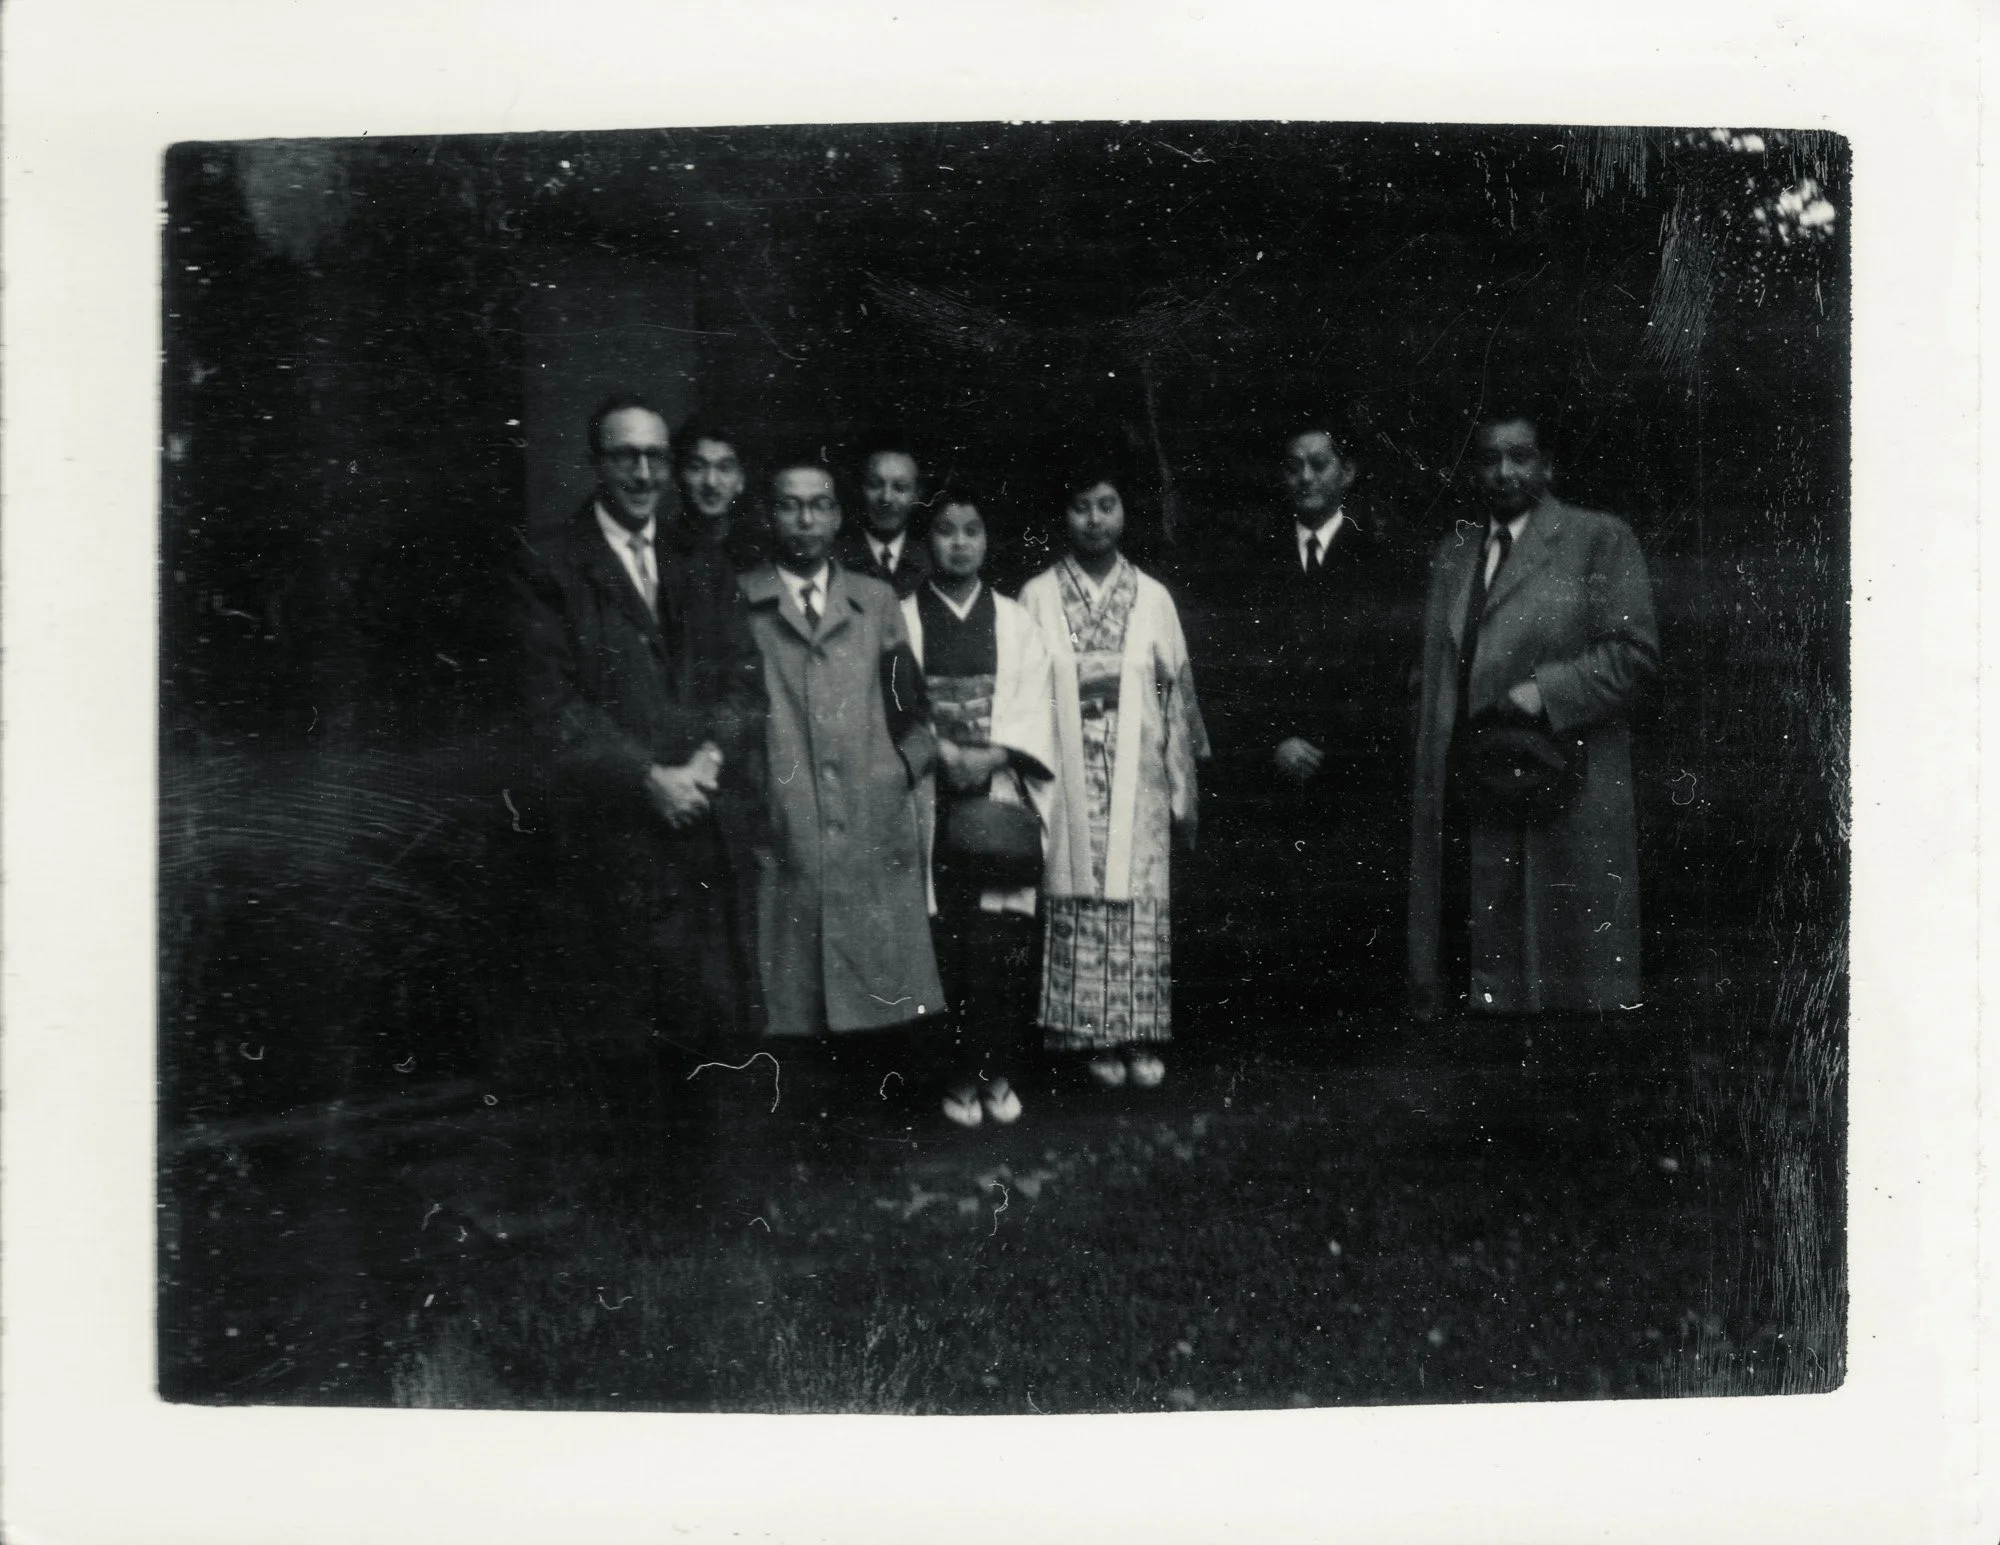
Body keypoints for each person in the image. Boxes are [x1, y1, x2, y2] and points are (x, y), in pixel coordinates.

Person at [514, 391, 767, 1188]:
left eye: (657, 456)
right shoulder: (550, 562)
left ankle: (703, 1199)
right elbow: (552, 708)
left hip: (701, 827)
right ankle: (634, 1203)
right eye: (626, 455)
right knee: (622, 1031)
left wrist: (708, 761)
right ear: (597, 463)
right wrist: (646, 778)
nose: (645, 472)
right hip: (612, 838)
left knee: (706, 1017)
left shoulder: (699, 559)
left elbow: (742, 682)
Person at [1408, 408, 1659, 1026]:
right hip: (1471, 787)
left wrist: (1545, 690)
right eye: (1489, 458)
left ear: (1548, 465)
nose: (1504, 472)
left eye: (1520, 457)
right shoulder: (1455, 553)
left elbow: (1635, 656)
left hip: (1560, 782)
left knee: (1557, 972)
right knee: (1475, 967)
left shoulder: (1598, 539)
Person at [738, 452, 947, 1079]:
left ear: (837, 517)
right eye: (789, 506)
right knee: (790, 999)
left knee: (874, 1000)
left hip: (869, 819)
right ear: (769, 516)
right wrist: (760, 790)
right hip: (786, 822)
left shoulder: (875, 601)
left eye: (819, 505)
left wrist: (897, 772)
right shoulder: (741, 601)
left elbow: (913, 712)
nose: (805, 520)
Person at [1021, 456, 1209, 1089]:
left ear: (1125, 511)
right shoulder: (1037, 596)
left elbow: (1175, 698)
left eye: (1107, 505)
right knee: (1075, 894)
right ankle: (1087, 1036)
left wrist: (1182, 787)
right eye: (1081, 507)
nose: (1094, 520)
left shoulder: (1153, 597)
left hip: (1139, 779)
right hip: (1064, 776)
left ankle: (1138, 1035)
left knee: (1138, 898)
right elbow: (1022, 695)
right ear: (1063, 516)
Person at [1233, 415, 1414, 1033]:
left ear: (1348, 472)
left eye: (1320, 464)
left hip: (1352, 774)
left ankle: (1352, 1036)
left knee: (1348, 911)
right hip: (1274, 770)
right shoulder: (1254, 563)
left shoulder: (1383, 562)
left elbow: (1390, 675)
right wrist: (1274, 741)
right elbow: (1234, 673)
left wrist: (1333, 746)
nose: (1306, 478)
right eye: (1294, 467)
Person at [902, 489, 1059, 1128]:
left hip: (998, 791)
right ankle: (957, 1074)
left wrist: (992, 754)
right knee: (945, 941)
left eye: (972, 530)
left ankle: (999, 1070)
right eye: (945, 530)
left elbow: (1038, 705)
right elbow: (895, 706)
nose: (960, 542)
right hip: (930, 796)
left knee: (1001, 940)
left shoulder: (1016, 621)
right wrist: (940, 749)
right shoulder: (902, 617)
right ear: (926, 541)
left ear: (988, 539)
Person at [837, 439, 932, 597]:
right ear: (859, 489)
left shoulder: (932, 562)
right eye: (874, 484)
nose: (886, 498)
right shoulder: (833, 560)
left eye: (900, 487)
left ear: (917, 494)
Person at [671, 414, 764, 572]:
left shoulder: (757, 552)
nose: (711, 482)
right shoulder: (660, 547)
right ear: (678, 476)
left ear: (741, 480)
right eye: (697, 467)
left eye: (724, 468)